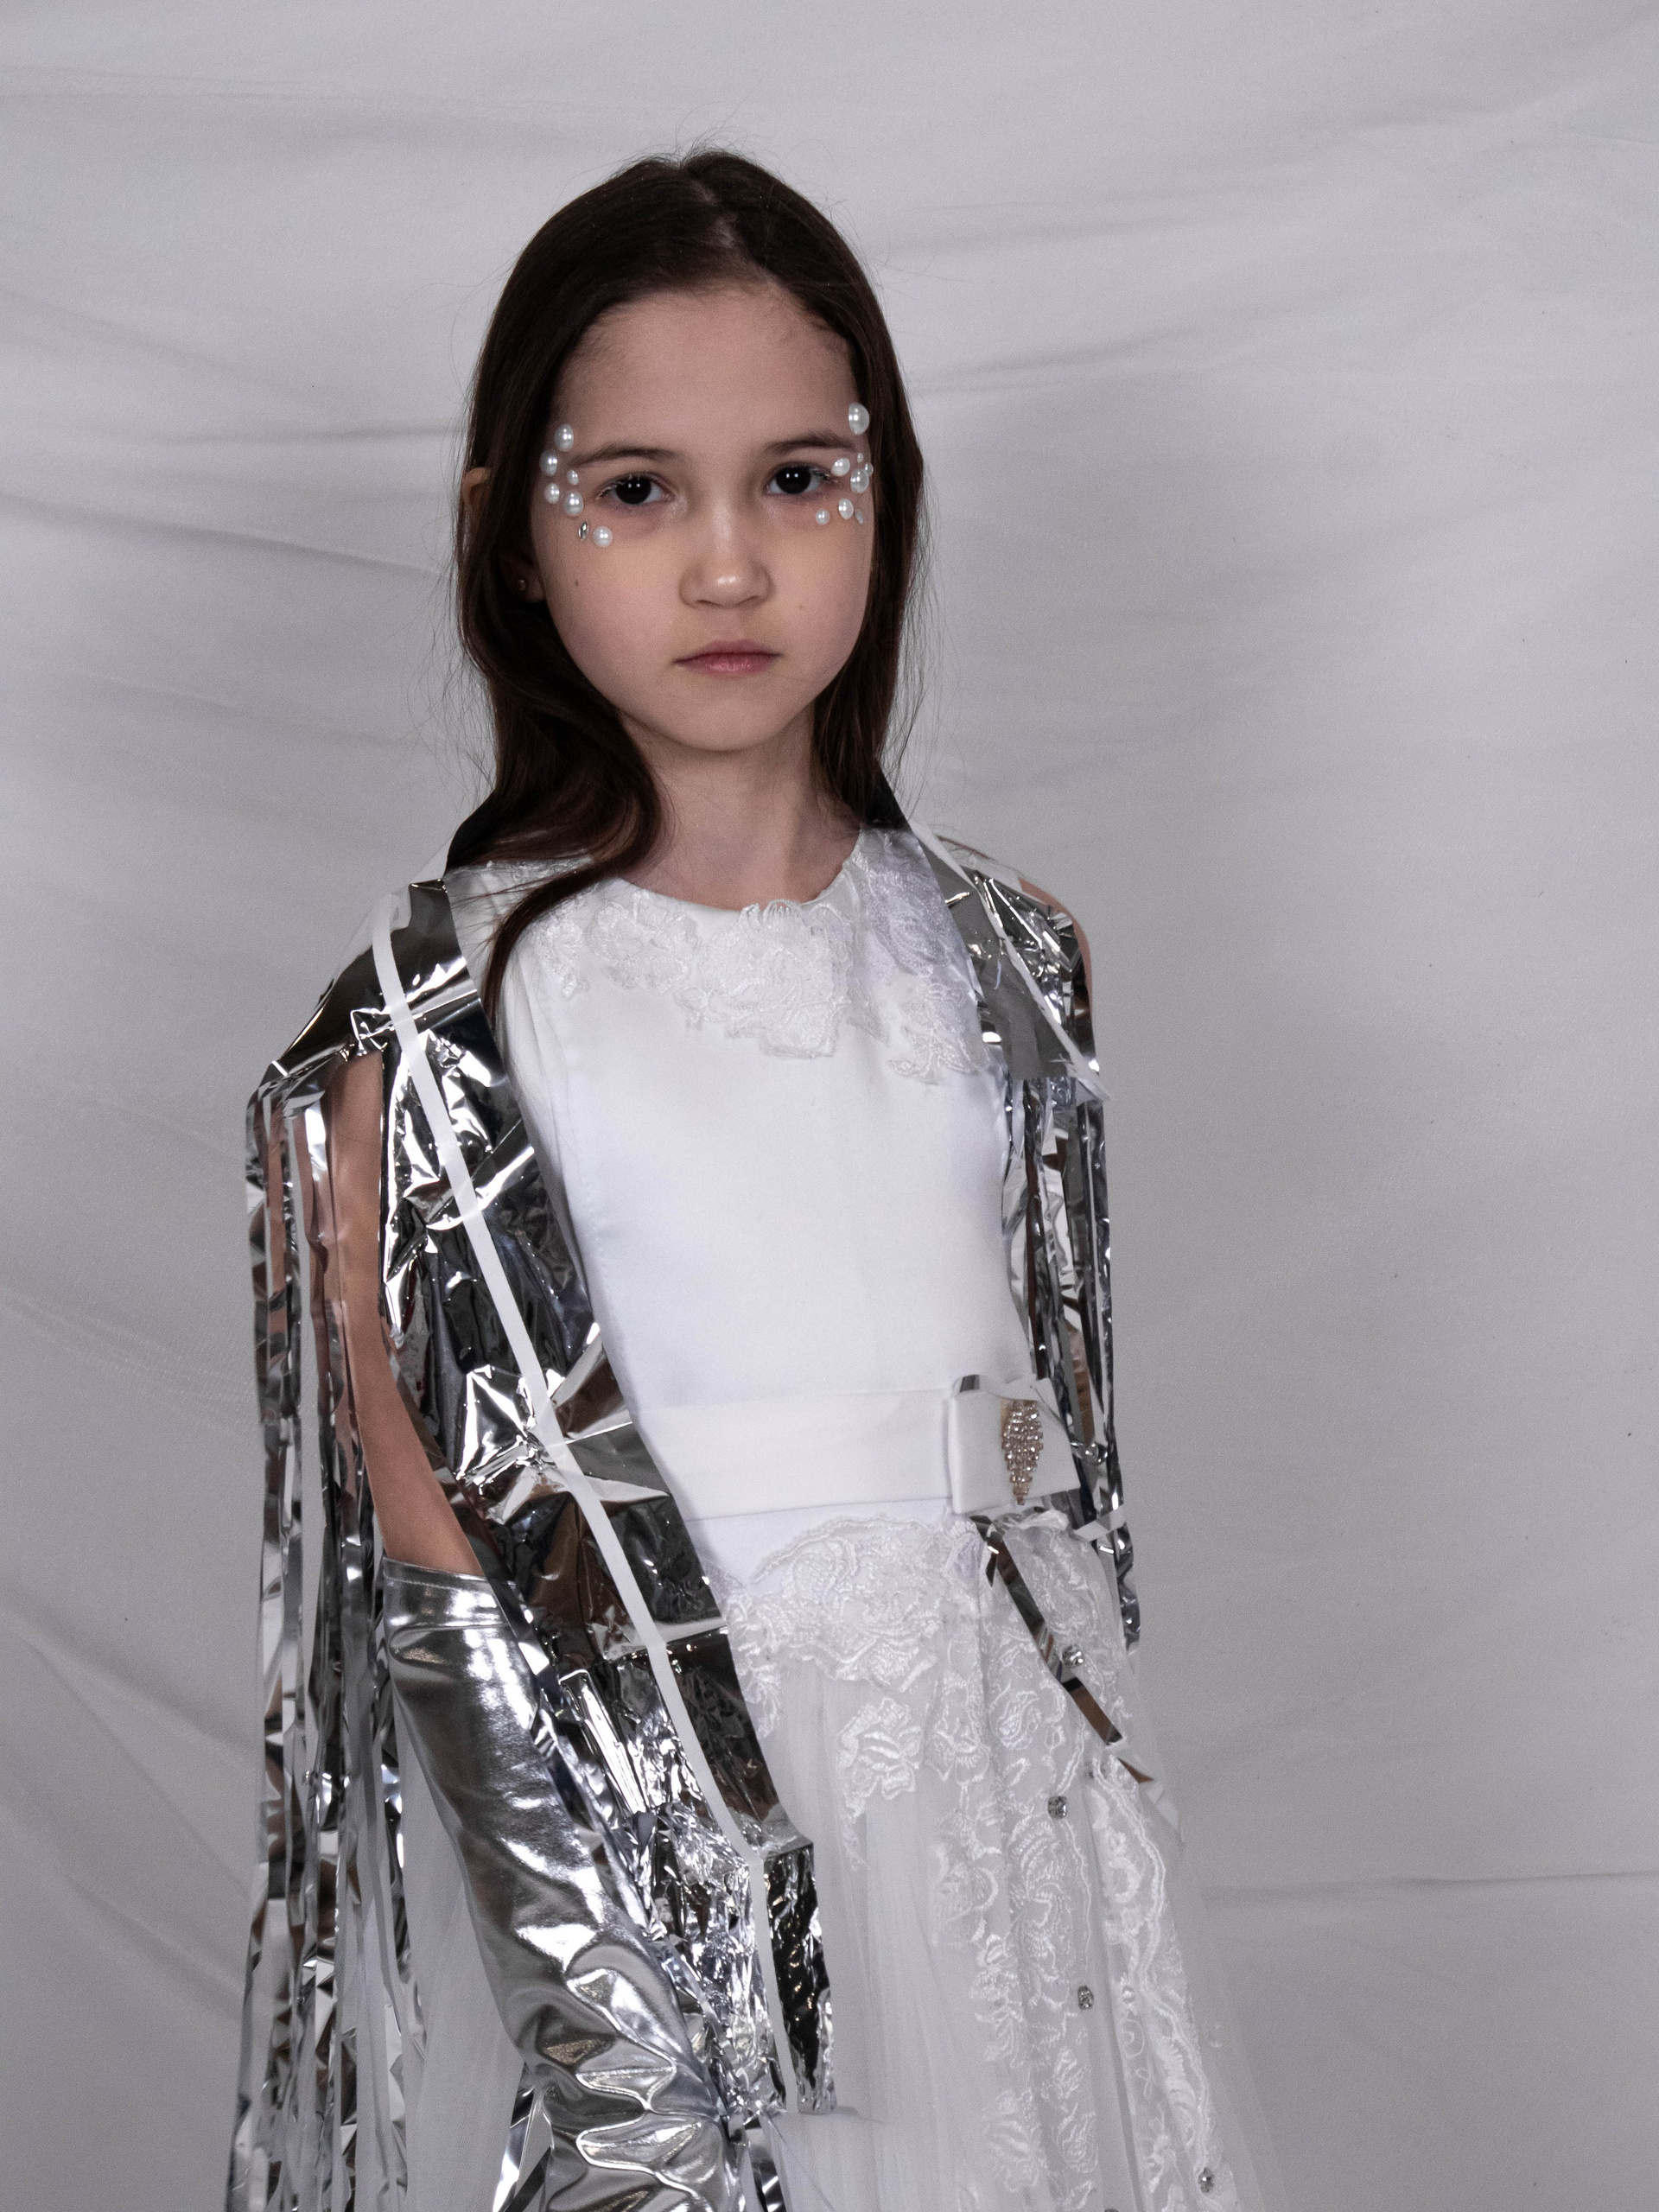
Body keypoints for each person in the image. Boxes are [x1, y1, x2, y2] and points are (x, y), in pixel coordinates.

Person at [230, 149, 1283, 2212]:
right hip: (702, 1823)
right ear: (513, 536)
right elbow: (439, 1563)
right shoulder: (446, 1027)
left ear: (885, 499)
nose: (729, 565)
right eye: (637, 489)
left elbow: (1057, 1424)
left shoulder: (1012, 958)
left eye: (800, 479)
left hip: (1018, 1801)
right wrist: (615, 2024)